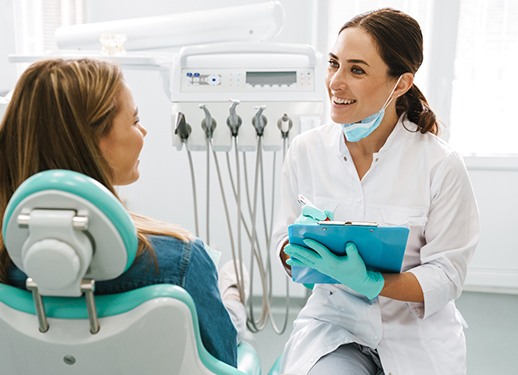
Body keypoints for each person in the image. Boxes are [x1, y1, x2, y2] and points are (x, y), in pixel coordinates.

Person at [271, 8, 480, 375]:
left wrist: (373, 282)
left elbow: (448, 275)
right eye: (333, 63)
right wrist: (298, 250)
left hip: (416, 338)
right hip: (335, 328)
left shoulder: (441, 165)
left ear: (400, 84)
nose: (336, 82)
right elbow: (282, 245)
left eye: (356, 70)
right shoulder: (306, 151)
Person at [0, 58, 248, 367]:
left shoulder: (6, 259)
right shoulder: (180, 262)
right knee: (232, 315)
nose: (143, 131)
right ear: (92, 141)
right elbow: (224, 364)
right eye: (134, 120)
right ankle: (232, 288)